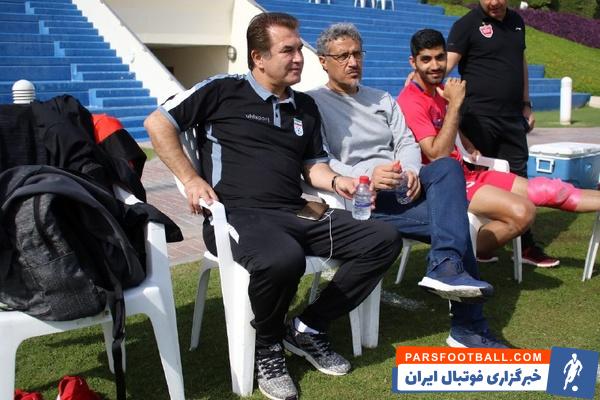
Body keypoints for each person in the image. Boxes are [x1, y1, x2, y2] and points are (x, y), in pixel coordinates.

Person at [144, 12, 402, 400]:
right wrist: (191, 179)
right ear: (258, 57)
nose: (299, 58)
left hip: (296, 210)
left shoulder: (305, 107)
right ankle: (268, 347)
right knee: (283, 259)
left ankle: (308, 327)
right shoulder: (222, 90)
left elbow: (313, 166)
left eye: (299, 49)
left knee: (382, 238)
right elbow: (158, 123)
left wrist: (338, 182)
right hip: (236, 214)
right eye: (288, 50)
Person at [307, 23, 505, 350]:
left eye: (357, 54)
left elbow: (407, 143)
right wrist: (367, 176)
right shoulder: (312, 103)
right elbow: (320, 160)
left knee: (445, 166)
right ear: (323, 61)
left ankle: (445, 268)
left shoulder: (382, 99)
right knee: (455, 224)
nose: (352, 62)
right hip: (364, 199)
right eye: (342, 56)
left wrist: (412, 170)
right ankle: (468, 327)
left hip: (404, 186)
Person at [398, 29, 600, 262]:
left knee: (550, 190)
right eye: (426, 59)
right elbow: (436, 155)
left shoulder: (438, 91)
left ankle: (468, 246)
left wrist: (466, 144)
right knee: (523, 212)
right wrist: (455, 104)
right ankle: (455, 250)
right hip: (443, 185)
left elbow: (445, 126)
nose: (435, 65)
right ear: (413, 62)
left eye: (439, 57)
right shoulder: (411, 101)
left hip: (466, 174)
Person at [445, 0, 559, 267]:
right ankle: (480, 242)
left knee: (520, 178)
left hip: (511, 118)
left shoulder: (517, 21)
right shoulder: (466, 24)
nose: (494, 2)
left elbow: (520, 62)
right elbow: (445, 64)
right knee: (483, 181)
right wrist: (419, 80)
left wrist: (526, 104)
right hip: (477, 119)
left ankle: (526, 246)